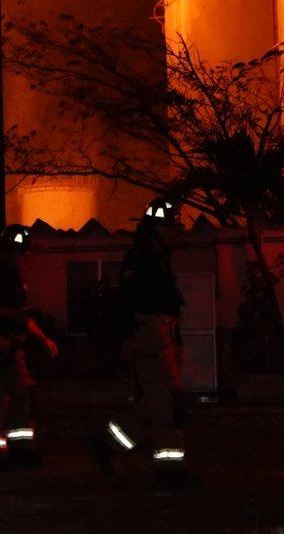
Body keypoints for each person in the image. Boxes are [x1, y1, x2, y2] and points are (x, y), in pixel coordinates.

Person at [90, 196, 198, 489]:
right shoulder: (142, 258)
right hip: (150, 335)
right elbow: (128, 301)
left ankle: (108, 444)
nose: (177, 231)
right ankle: (169, 474)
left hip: (163, 335)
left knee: (158, 404)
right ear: (155, 229)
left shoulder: (157, 256)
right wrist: (127, 338)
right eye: (171, 226)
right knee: (164, 404)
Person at [0, 223, 57, 470]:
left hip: (5, 345)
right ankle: (17, 452)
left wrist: (43, 339)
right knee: (20, 392)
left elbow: (22, 317)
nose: (22, 257)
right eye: (20, 252)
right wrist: (11, 317)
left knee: (3, 396)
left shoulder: (11, 276)